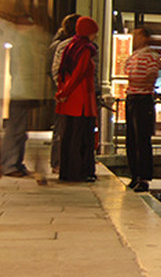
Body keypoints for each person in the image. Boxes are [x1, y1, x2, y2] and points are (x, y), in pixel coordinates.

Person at [2, 16, 48, 177]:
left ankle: (15, 163)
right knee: (15, 129)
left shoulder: (21, 42)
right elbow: (22, 70)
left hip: (21, 92)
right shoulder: (21, 43)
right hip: (19, 93)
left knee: (19, 130)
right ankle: (10, 165)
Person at [54, 17, 99, 183]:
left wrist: (62, 92)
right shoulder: (86, 49)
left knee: (69, 136)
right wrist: (64, 92)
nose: (95, 36)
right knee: (81, 137)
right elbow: (79, 74)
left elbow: (63, 72)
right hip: (82, 100)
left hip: (70, 101)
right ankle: (80, 172)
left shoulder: (71, 46)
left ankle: (67, 171)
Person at [124, 26, 160, 192]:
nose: (134, 38)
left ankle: (143, 177)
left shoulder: (150, 56)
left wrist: (138, 81)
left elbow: (151, 75)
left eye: (137, 35)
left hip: (143, 98)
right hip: (132, 97)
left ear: (145, 37)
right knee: (131, 138)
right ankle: (134, 174)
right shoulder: (133, 56)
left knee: (142, 139)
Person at [47, 13, 81, 174]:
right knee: (65, 128)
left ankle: (60, 162)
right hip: (67, 94)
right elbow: (56, 71)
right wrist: (64, 89)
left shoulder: (57, 45)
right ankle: (61, 162)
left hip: (62, 92)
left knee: (61, 128)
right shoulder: (64, 46)